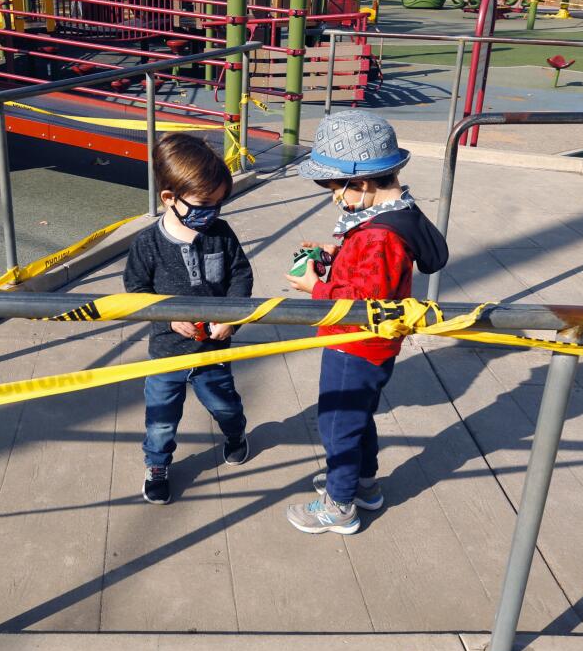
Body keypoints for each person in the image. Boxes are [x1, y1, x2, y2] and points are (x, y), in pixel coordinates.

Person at [283, 110, 448, 534]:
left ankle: (339, 505)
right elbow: (375, 272)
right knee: (358, 416)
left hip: (354, 343)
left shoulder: (378, 235)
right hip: (374, 347)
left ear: (361, 184)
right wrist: (336, 254)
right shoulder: (393, 216)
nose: (331, 197)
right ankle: (364, 484)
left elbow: (363, 302)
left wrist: (314, 289)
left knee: (337, 422)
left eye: (334, 189)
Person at [124, 133, 254, 505]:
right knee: (162, 418)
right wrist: (167, 318)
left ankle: (235, 434)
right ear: (170, 198)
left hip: (214, 350)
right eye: (204, 204)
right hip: (167, 353)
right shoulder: (147, 244)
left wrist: (232, 318)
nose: (212, 212)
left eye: (218, 204)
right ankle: (157, 464)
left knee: (225, 405)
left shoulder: (220, 234)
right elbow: (135, 291)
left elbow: (240, 276)